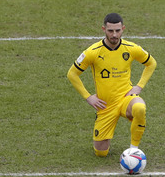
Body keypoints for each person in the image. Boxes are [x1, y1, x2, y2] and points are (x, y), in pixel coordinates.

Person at [67, 13, 157, 157]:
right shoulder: (93, 52)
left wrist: (139, 86)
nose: (114, 35)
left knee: (139, 107)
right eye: (110, 31)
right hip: (105, 106)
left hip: (125, 98)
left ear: (123, 29)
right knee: (101, 153)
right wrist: (88, 97)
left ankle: (134, 150)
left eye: (117, 30)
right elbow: (72, 74)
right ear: (104, 29)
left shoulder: (131, 48)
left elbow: (151, 63)